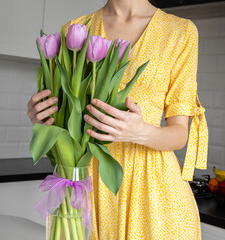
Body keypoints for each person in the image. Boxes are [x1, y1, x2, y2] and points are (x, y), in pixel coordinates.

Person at [27, 0, 208, 239]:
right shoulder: (76, 28)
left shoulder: (180, 31)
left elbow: (179, 134)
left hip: (153, 196)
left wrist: (141, 132)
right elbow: (66, 120)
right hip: (87, 189)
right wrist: (41, 116)